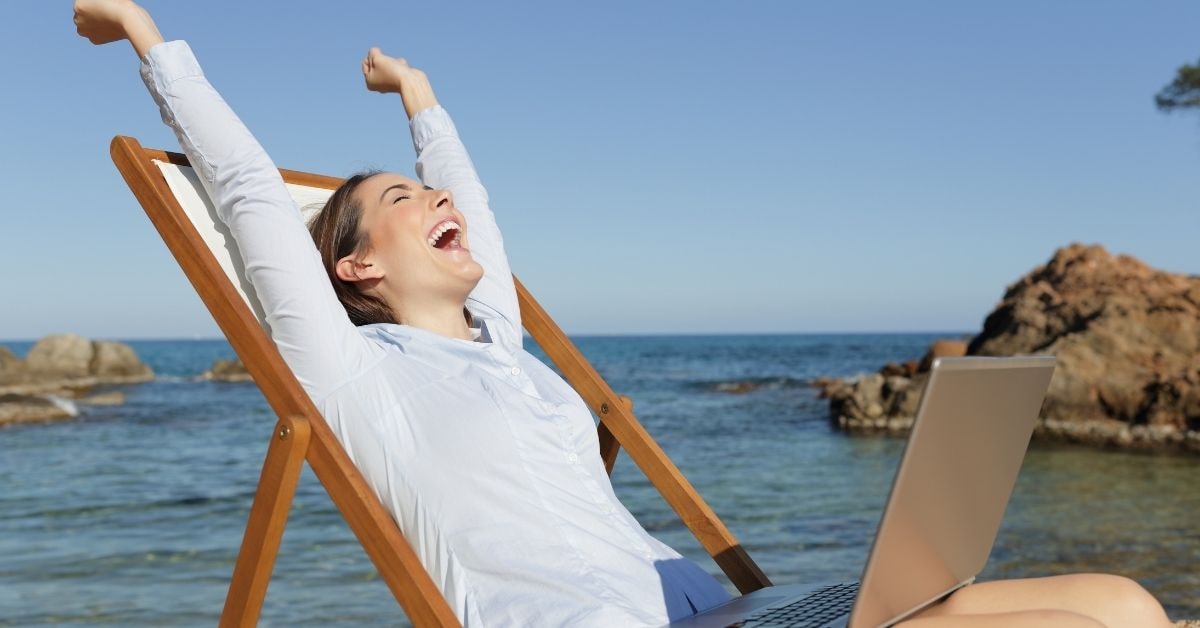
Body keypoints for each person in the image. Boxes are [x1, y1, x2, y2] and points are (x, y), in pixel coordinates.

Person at [73, 2, 1176, 626]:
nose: (440, 201)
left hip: (729, 615)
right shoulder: (359, 379)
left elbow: (483, 213)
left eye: (431, 190)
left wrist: (419, 100)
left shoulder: (503, 347)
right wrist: (144, 32)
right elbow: (254, 200)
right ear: (355, 268)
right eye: (408, 202)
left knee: (1123, 600)